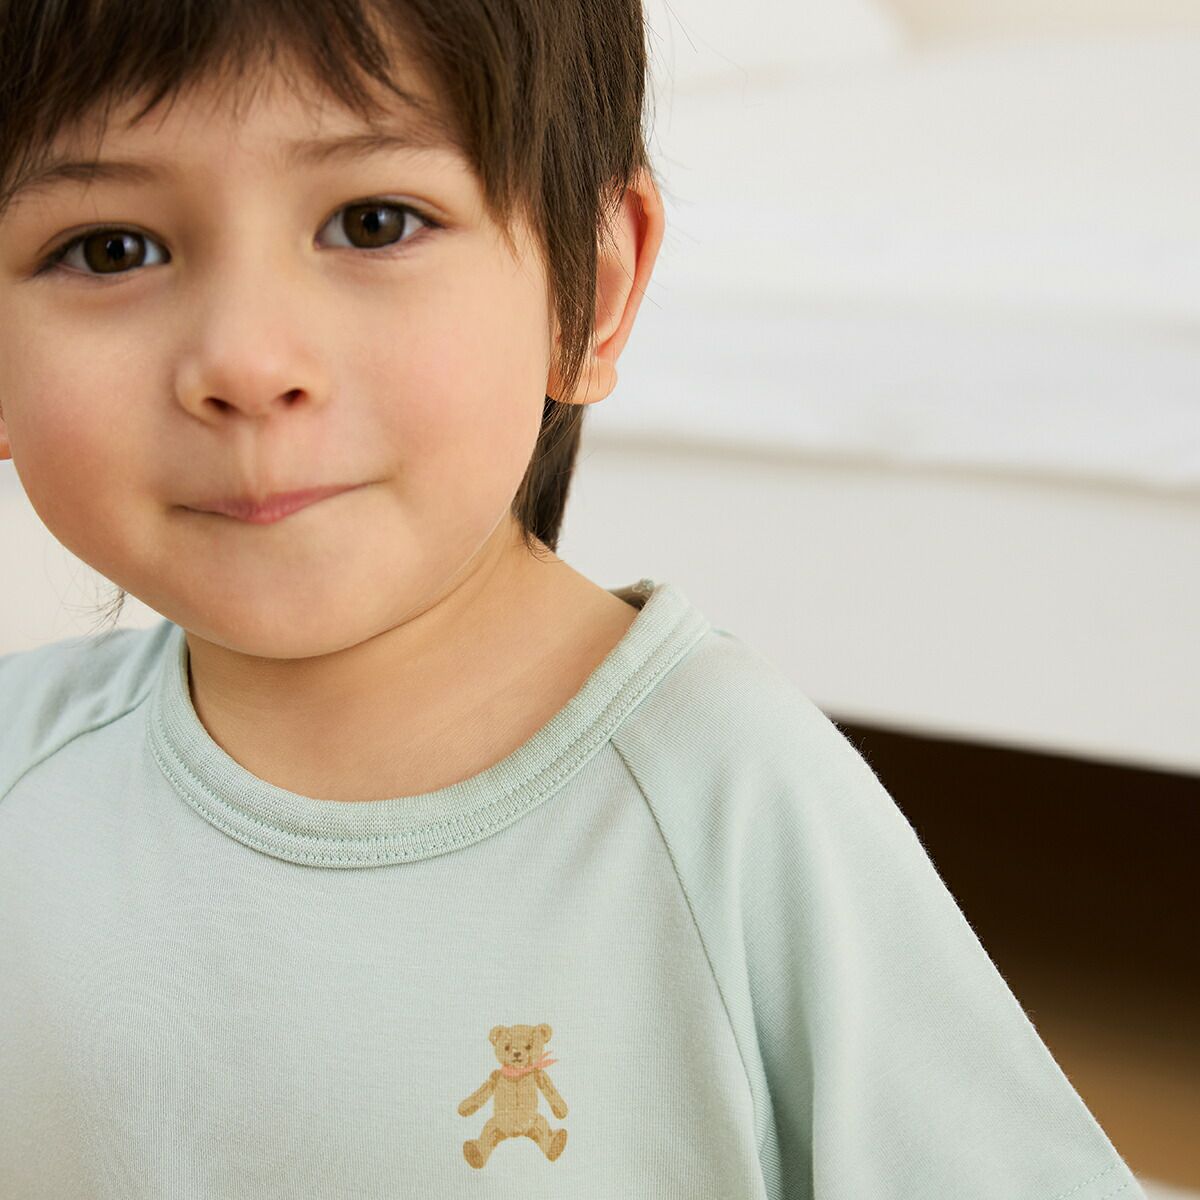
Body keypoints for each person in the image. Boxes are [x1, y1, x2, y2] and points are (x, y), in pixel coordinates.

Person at [0, 2, 1147, 1197]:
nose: (245, 363)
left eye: (374, 222)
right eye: (110, 250)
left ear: (586, 291)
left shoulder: (730, 802)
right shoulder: (23, 773)